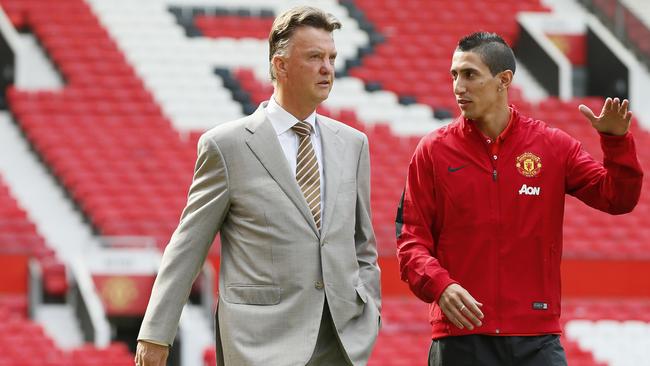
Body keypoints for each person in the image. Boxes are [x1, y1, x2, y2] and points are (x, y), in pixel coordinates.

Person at [135, 6, 381, 366]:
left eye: (331, 57)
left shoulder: (354, 144)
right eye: (314, 57)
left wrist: (368, 309)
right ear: (280, 66)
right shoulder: (227, 146)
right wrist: (156, 333)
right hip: (259, 344)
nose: (328, 68)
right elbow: (188, 245)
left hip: (341, 342)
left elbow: (364, 244)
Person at [395, 31, 643, 366]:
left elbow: (617, 199)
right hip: (461, 338)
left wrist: (615, 142)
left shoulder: (552, 146)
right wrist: (440, 286)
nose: (458, 86)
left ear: (503, 80)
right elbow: (410, 241)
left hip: (536, 339)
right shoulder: (432, 151)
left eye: (470, 74)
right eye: (454, 75)